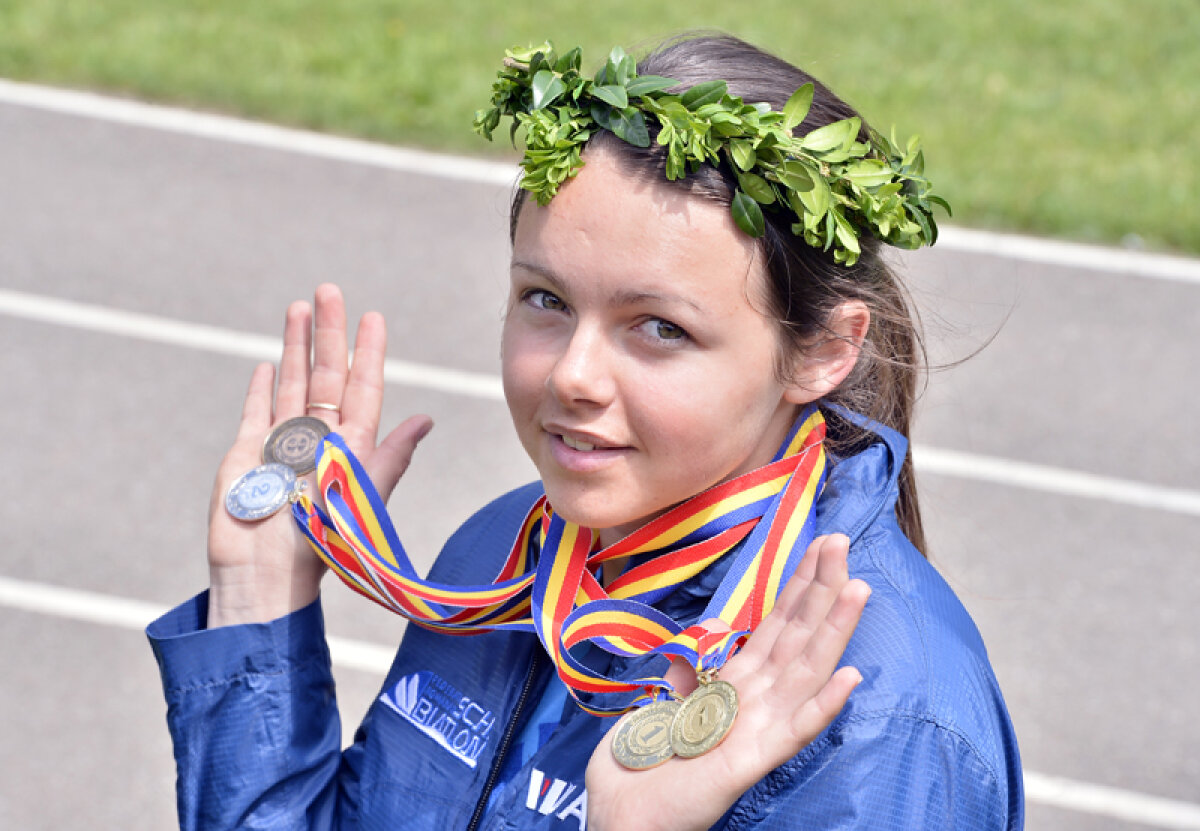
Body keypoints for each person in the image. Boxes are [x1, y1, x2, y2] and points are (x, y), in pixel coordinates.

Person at [147, 33, 1023, 830]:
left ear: (824, 351)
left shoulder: (876, 715)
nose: (572, 374)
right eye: (546, 300)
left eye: (659, 327)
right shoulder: (498, 556)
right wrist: (258, 611)